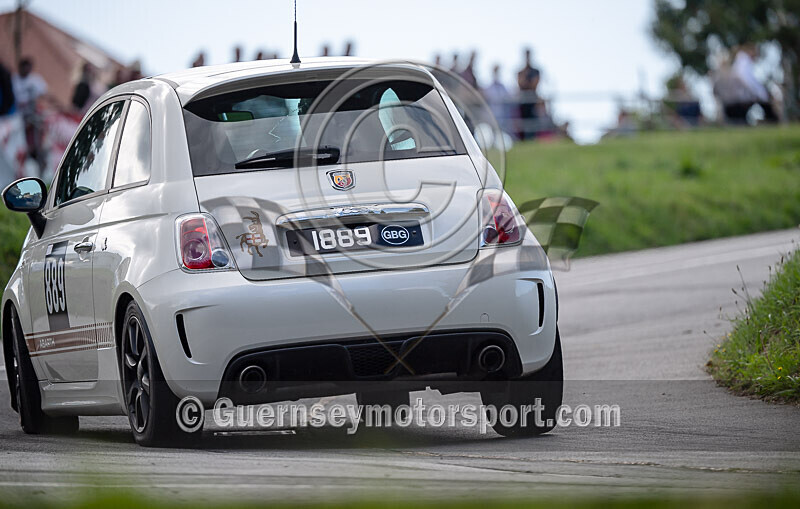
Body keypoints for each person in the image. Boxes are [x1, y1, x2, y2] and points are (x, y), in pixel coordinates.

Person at [13, 57, 48, 175]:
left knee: (37, 144)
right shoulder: (14, 80)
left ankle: (40, 166)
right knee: (23, 146)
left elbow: (44, 95)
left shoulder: (35, 80)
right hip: (19, 120)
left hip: (33, 118)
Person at [516, 48, 541, 140]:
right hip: (523, 101)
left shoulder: (536, 71)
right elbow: (520, 84)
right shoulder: (521, 72)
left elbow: (534, 85)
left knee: (533, 122)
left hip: (533, 101)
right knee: (523, 122)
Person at [483, 64, 511, 134]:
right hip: (492, 113)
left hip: (502, 114)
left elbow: (507, 97)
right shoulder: (489, 88)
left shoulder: (502, 87)